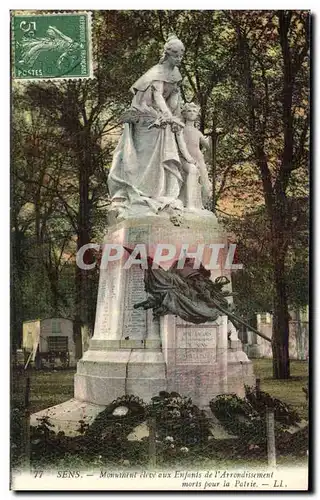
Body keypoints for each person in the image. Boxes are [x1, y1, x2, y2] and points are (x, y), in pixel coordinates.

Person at [108, 34, 195, 216]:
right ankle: (144, 194)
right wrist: (169, 117)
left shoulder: (175, 73)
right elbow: (157, 97)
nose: (179, 59)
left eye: (181, 55)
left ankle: (162, 193)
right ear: (167, 54)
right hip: (145, 117)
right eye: (175, 55)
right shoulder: (156, 72)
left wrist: (175, 115)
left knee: (166, 144)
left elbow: (173, 97)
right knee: (147, 155)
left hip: (161, 119)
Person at [178, 102, 212, 209]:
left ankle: (200, 207)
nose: (192, 113)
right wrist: (189, 159)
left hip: (199, 160)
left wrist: (213, 136)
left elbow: (209, 147)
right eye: (189, 111)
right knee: (192, 173)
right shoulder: (181, 129)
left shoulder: (198, 132)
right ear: (184, 114)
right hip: (185, 159)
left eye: (194, 111)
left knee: (206, 188)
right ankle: (189, 204)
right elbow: (181, 146)